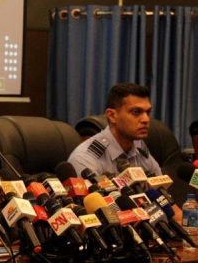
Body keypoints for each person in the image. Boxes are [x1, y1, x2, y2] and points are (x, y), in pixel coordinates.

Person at [67, 82, 186, 221]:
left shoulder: (139, 149)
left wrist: (188, 219)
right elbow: (94, 218)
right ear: (112, 116)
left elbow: (163, 199)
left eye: (148, 112)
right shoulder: (85, 159)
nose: (146, 119)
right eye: (136, 112)